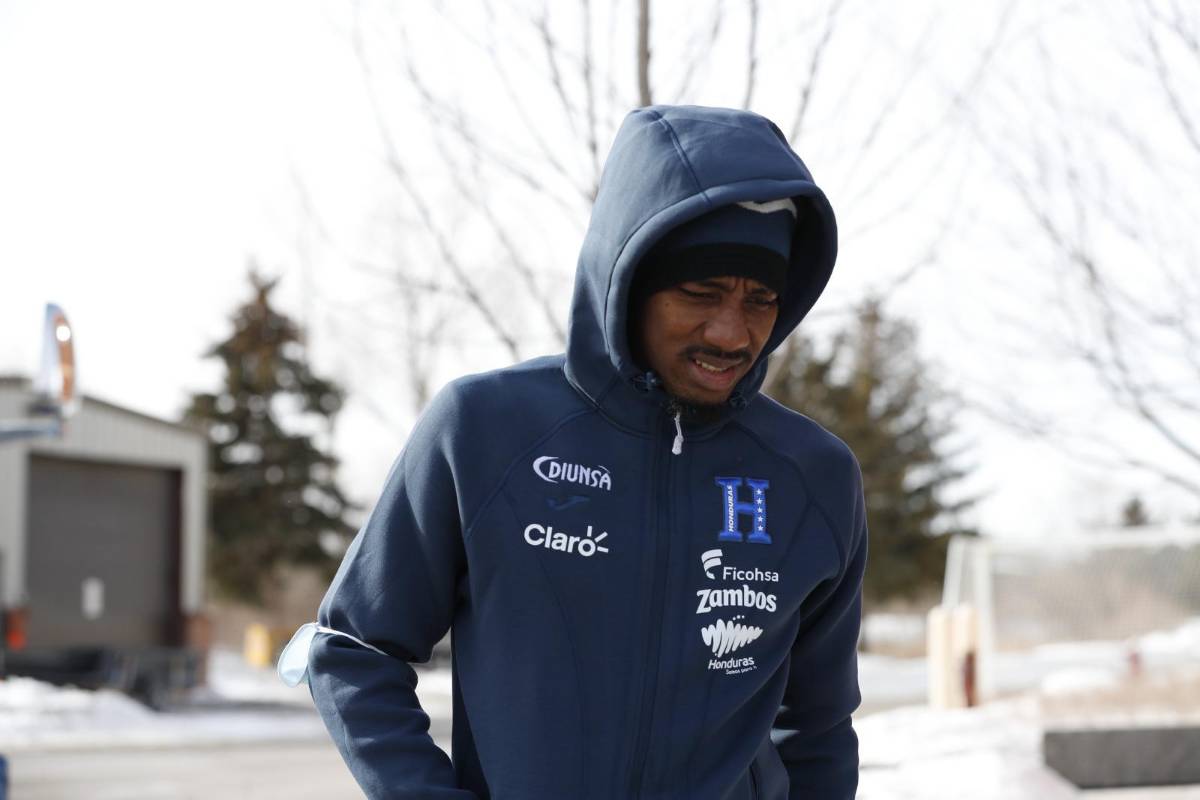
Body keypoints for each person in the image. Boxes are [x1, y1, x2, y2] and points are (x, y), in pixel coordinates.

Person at [294, 104, 866, 799]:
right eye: (700, 291)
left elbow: (818, 725)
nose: (731, 333)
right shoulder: (484, 431)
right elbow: (355, 648)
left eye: (761, 299)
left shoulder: (813, 477)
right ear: (627, 278)